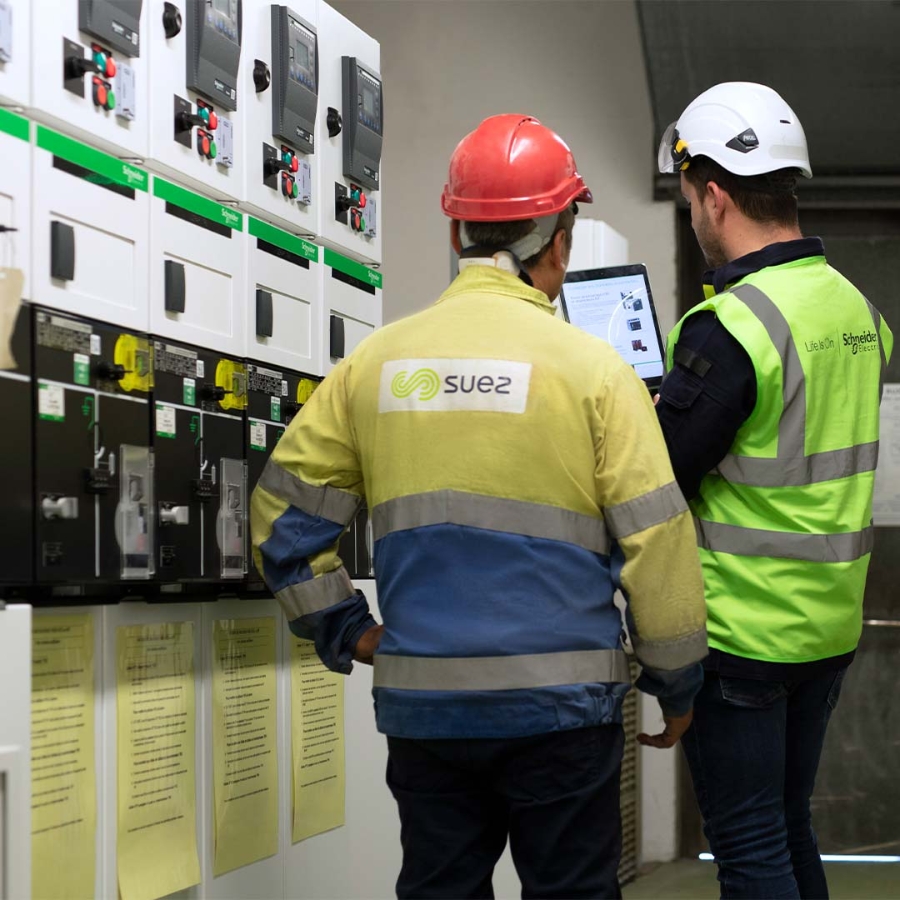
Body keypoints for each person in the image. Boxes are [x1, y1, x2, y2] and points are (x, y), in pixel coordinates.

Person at [251, 114, 708, 900]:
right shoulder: (596, 373)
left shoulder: (376, 363)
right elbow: (658, 545)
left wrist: (350, 633)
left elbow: (281, 525)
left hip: (429, 711)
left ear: (456, 227)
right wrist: (677, 682)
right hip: (564, 714)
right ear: (558, 238)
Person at [656, 82, 894, 900]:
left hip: (746, 634)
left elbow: (660, 477)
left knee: (750, 840)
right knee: (789, 822)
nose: (693, 214)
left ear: (714, 196)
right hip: (828, 622)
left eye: (689, 198)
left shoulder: (731, 327)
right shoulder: (857, 308)